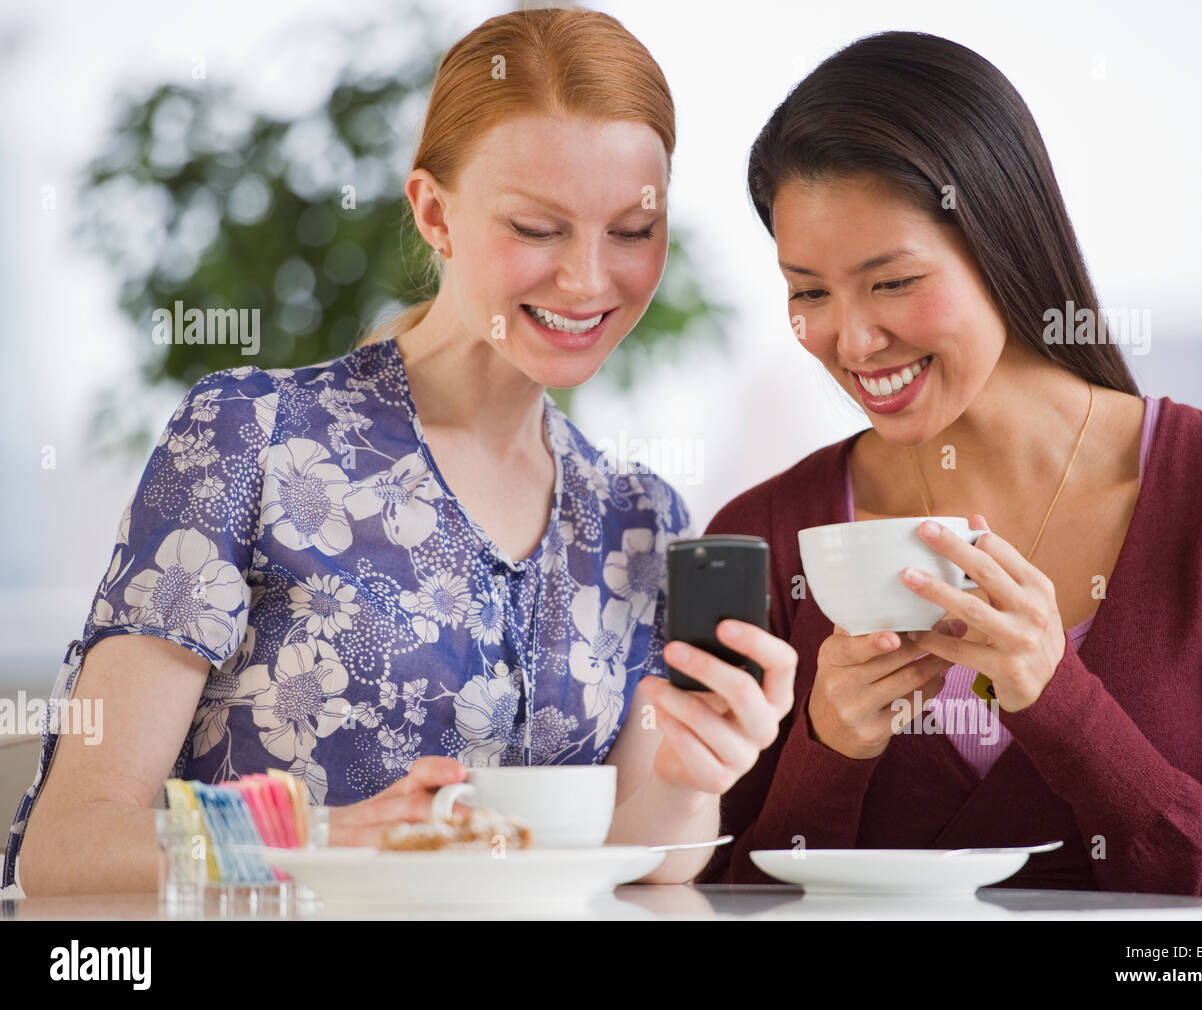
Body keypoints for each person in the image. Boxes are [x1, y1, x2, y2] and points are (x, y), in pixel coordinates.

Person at [4, 7, 796, 898]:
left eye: (630, 231)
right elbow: (67, 844)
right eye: (536, 229)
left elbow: (641, 855)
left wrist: (695, 783)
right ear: (434, 211)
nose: (587, 277)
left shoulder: (637, 520)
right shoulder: (251, 437)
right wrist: (326, 838)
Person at [697, 31, 1202, 920]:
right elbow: (719, 908)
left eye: (893, 282)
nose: (855, 343)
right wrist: (826, 751)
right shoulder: (766, 533)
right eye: (810, 292)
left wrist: (1059, 705)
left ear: (1005, 243)